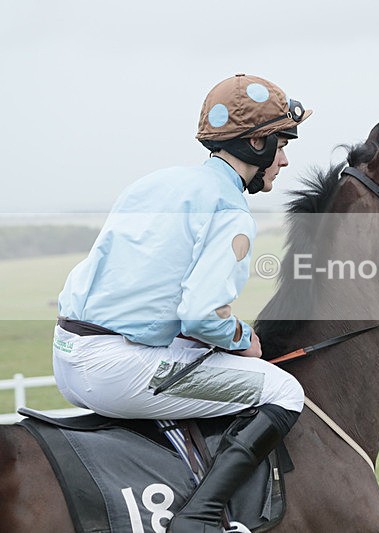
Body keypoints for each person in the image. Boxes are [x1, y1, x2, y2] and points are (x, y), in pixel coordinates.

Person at [53, 73, 312, 532]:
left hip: (69, 353)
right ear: (256, 144)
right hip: (116, 367)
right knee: (283, 390)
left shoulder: (157, 182)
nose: (286, 159)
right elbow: (204, 314)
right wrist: (242, 340)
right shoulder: (230, 209)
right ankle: (200, 517)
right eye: (282, 143)